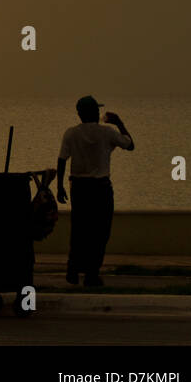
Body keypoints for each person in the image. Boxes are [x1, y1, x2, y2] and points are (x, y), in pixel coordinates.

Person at [56, 95, 134, 287]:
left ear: (79, 114)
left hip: (79, 188)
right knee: (100, 231)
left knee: (79, 230)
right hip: (100, 189)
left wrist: (59, 187)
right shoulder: (107, 133)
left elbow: (62, 160)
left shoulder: (71, 134)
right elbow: (130, 145)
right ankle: (91, 273)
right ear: (96, 112)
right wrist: (119, 122)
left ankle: (73, 269)